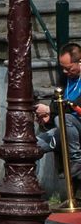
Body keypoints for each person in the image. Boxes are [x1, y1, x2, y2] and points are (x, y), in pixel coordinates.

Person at [32, 43, 81, 209]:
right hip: (63, 126)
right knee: (33, 145)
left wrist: (50, 109)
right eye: (63, 68)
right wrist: (47, 116)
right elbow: (56, 102)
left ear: (80, 62)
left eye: (68, 68)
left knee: (66, 118)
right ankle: (30, 188)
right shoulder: (64, 78)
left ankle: (77, 159)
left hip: (77, 125)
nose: (65, 72)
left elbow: (71, 105)